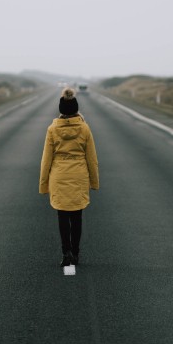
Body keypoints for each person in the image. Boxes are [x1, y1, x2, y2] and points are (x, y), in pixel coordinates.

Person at [39, 87, 99, 267]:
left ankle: (66, 253)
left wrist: (44, 184)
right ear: (76, 109)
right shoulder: (85, 128)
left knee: (62, 216)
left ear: (61, 110)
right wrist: (94, 182)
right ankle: (76, 252)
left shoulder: (52, 129)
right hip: (79, 176)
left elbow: (46, 159)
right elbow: (92, 158)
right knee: (77, 216)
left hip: (59, 176)